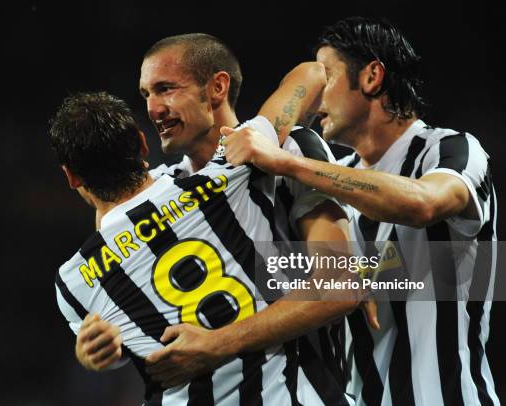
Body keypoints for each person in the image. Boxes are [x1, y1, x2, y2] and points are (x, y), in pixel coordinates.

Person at [201, 17, 498, 406]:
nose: (315, 97)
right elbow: (289, 280)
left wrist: (284, 162)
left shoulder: (448, 150)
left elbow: (423, 204)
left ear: (372, 76)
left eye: (327, 78)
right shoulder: (332, 189)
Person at [76, 33, 366, 405]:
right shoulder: (163, 190)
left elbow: (341, 285)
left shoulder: (289, 150)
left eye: (165, 89)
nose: (152, 109)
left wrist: (216, 345)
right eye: (146, 94)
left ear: (217, 88)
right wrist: (99, 347)